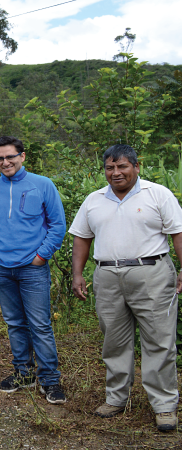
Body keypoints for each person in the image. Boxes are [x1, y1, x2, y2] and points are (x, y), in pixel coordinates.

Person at [70, 144, 182, 431]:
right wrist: (77, 274)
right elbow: (82, 237)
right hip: (107, 275)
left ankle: (164, 405)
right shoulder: (94, 200)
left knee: (159, 339)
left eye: (122, 166)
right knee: (114, 340)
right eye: (110, 167)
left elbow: (178, 233)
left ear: (136, 167)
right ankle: (116, 398)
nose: (116, 172)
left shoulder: (157, 194)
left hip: (151, 273)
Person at [0, 136, 67, 403]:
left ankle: (50, 380)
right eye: (0, 158)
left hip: (32, 268)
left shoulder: (42, 185)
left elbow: (57, 225)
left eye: (10, 157)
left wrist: (41, 256)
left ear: (22, 156)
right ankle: (24, 373)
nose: (5, 162)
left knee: (40, 324)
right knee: (14, 323)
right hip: (1, 268)